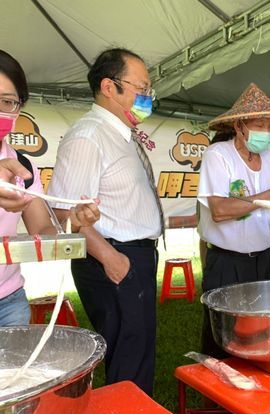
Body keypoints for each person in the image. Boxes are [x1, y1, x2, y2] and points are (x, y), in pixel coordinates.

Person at [48, 48, 161, 396]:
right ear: (109, 87)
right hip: (112, 258)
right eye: (141, 88)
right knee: (128, 358)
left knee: (138, 352)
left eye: (150, 90)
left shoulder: (120, 134)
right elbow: (65, 212)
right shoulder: (89, 136)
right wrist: (112, 260)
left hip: (132, 257)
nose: (147, 97)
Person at [198, 82, 270, 356]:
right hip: (227, 262)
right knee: (222, 334)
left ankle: (261, 388)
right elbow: (219, 210)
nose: (266, 133)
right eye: (260, 125)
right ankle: (217, 390)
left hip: (264, 260)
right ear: (240, 126)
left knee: (266, 330)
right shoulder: (218, 156)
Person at [0, 50, 99, 326]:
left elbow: (43, 229)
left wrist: (70, 225)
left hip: (8, 302)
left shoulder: (23, 168)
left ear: (19, 108)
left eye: (7, 102)